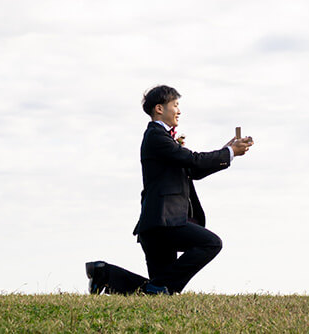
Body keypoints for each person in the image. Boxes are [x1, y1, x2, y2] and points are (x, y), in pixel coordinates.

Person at [86, 84, 254, 294]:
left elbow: (193, 170)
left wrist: (226, 151)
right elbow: (193, 160)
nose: (179, 110)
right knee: (211, 244)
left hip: (155, 225)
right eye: (175, 105)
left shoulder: (163, 140)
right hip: (164, 222)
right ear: (159, 108)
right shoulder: (156, 136)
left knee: (159, 293)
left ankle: (105, 274)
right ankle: (115, 277)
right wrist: (229, 152)